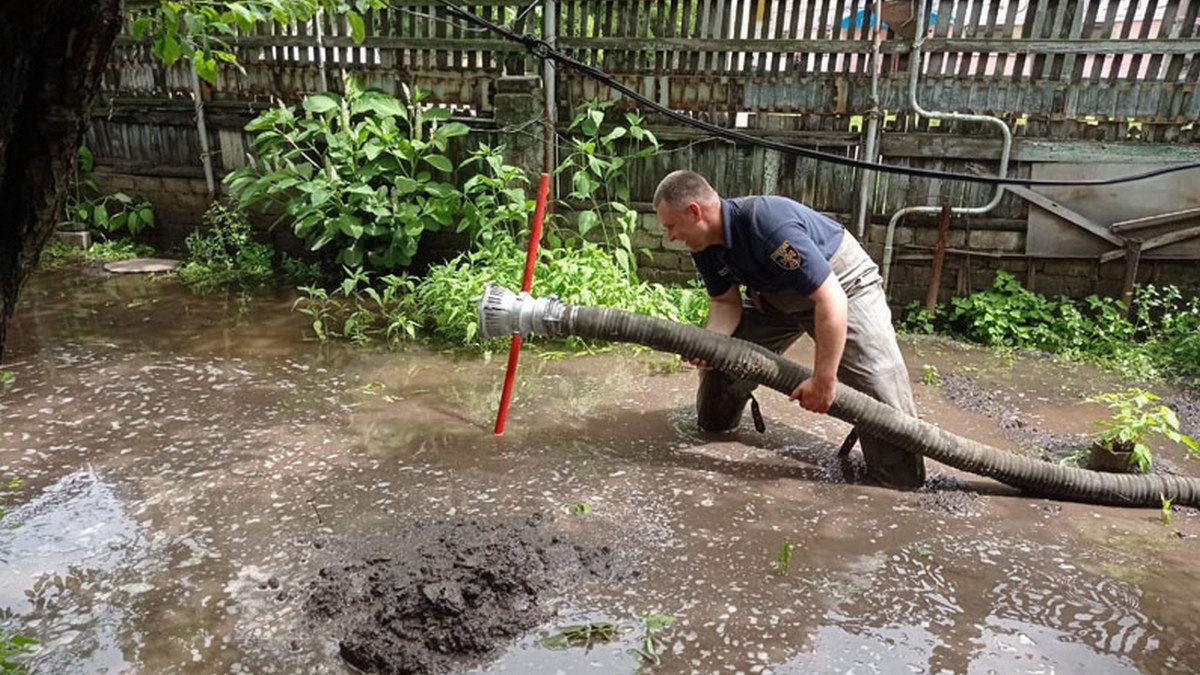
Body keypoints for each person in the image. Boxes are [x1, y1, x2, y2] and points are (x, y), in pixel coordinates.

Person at [653, 170, 925, 489]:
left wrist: (824, 380)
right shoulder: (703, 247)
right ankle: (717, 432)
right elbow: (725, 303)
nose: (670, 236)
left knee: (878, 387)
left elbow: (830, 300)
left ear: (694, 212)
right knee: (723, 366)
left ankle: (901, 486)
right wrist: (711, 345)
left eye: (670, 226)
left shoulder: (766, 224)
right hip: (774, 295)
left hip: (844, 286)